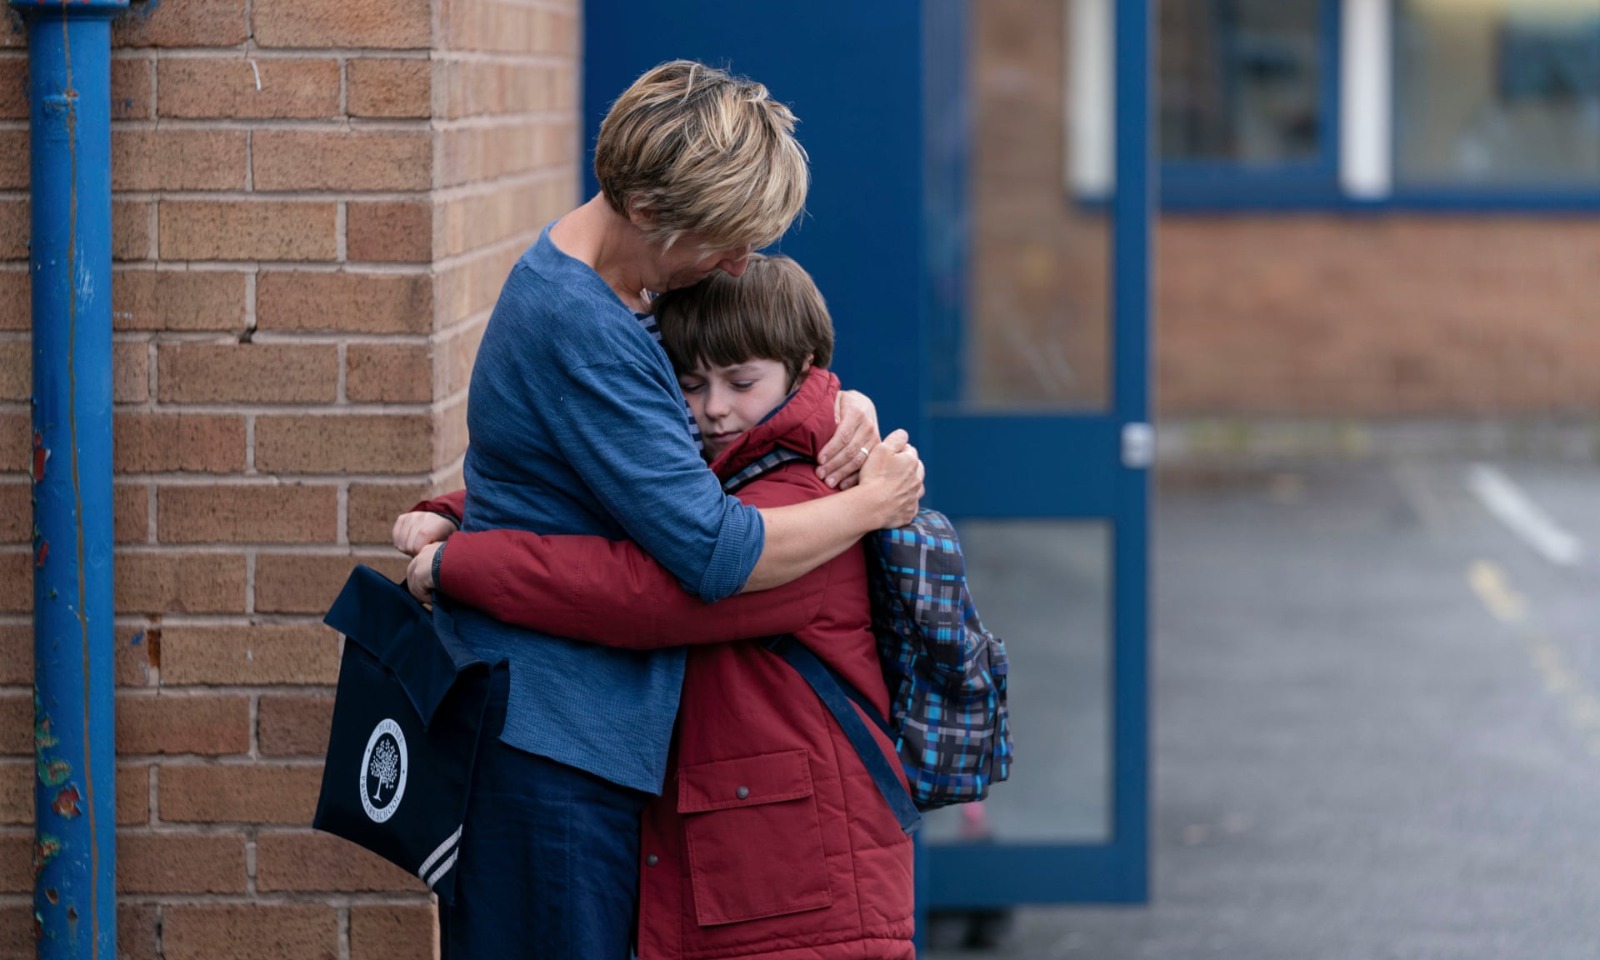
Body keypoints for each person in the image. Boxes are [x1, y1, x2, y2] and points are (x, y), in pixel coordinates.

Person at [388, 61, 923, 959]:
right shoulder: (584, 325)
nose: (737, 263)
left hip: (569, 733)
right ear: (646, 208)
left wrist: (833, 403)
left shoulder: (622, 296)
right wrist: (873, 504)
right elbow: (712, 551)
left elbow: (612, 470)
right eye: (721, 238)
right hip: (547, 741)